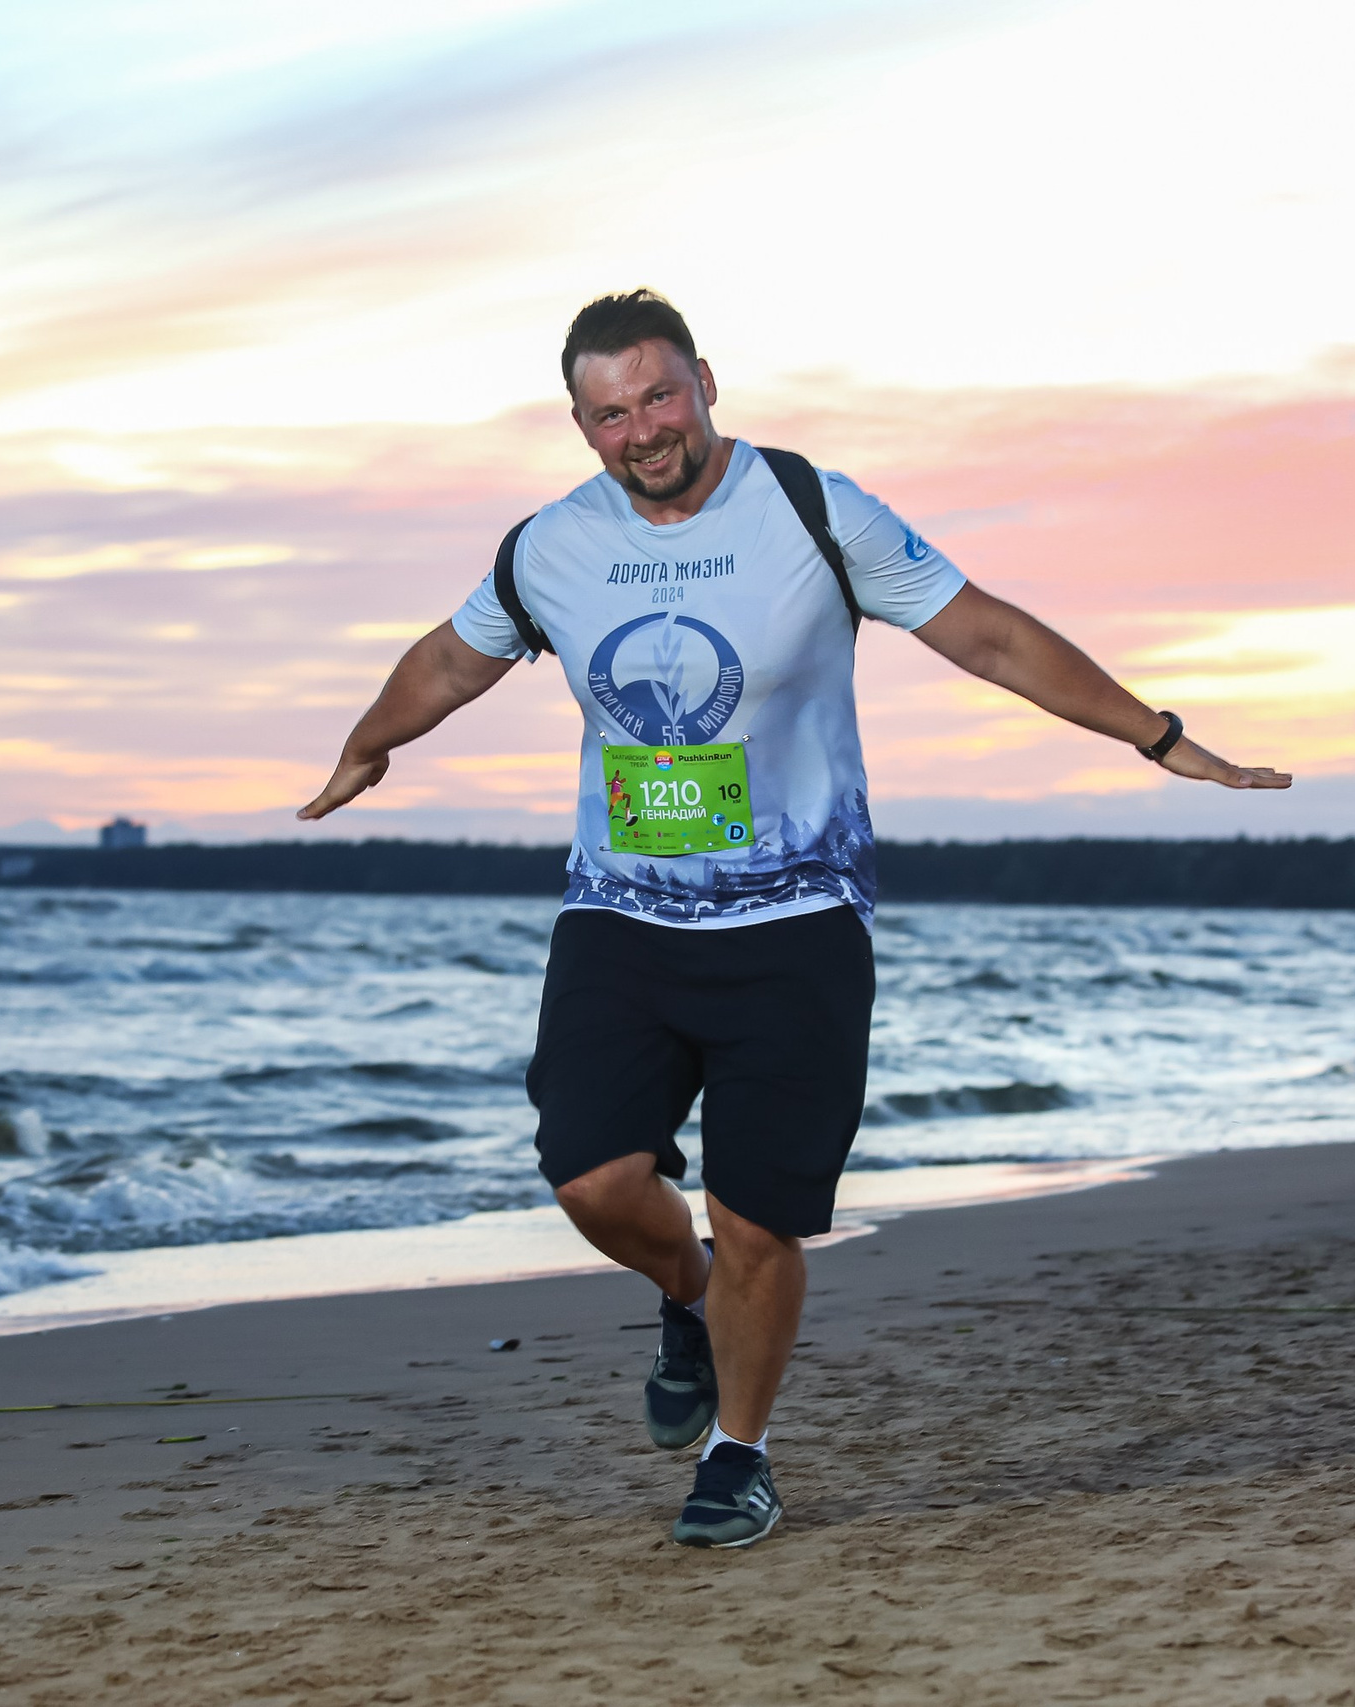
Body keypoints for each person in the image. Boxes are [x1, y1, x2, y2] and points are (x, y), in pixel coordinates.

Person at [299, 290, 1291, 1549]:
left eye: (659, 396)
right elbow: (448, 661)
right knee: (593, 1178)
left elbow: (985, 637)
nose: (641, 429)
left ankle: (737, 1454)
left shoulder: (815, 511)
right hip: (622, 915)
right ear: (578, 424)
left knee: (761, 1211)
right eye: (610, 412)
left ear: (706, 382)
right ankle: (686, 1292)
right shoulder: (546, 547)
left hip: (797, 918)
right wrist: (365, 746)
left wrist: (1157, 736)